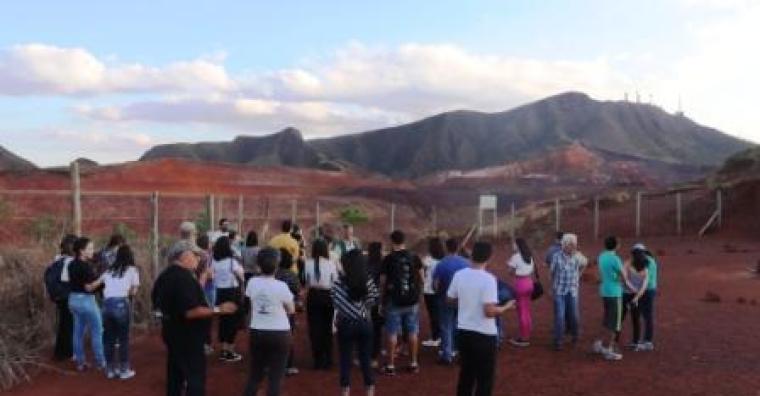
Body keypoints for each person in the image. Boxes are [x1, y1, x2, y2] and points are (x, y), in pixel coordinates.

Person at [152, 240, 238, 396]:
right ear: (185, 256)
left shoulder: (165, 275)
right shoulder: (182, 278)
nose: (198, 259)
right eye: (196, 255)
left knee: (175, 374)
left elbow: (159, 303)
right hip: (187, 336)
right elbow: (191, 311)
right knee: (194, 376)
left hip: (172, 332)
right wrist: (219, 309)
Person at [447, 241, 515, 396]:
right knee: (484, 378)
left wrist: (466, 302)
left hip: (464, 332)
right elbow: (489, 312)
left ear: (472, 255)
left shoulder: (459, 275)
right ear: (489, 258)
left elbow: (449, 300)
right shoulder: (489, 279)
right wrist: (506, 307)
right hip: (484, 335)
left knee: (466, 375)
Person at [243, 248, 295, 396]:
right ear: (277, 266)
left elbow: (249, 303)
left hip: (257, 331)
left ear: (259, 265)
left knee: (255, 374)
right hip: (280, 333)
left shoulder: (252, 282)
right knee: (275, 377)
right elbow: (291, 310)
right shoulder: (282, 286)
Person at [331, 249, 380, 396]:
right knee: (365, 359)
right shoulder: (368, 280)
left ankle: (345, 392)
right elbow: (373, 300)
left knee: (345, 360)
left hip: (345, 324)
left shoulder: (339, 283)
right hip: (365, 322)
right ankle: (370, 391)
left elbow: (335, 301)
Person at [88, 245, 140, 379]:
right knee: (123, 339)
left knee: (109, 338)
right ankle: (124, 370)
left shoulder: (109, 271)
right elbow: (133, 291)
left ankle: (110, 370)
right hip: (121, 304)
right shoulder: (132, 270)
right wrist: (125, 293)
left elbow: (93, 285)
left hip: (106, 305)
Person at [379, 230, 423, 375]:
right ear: (404, 241)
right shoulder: (415, 257)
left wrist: (381, 300)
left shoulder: (388, 259)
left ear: (392, 242)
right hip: (411, 300)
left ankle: (391, 366)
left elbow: (383, 282)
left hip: (394, 300)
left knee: (392, 332)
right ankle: (413, 363)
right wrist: (418, 294)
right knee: (412, 331)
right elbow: (422, 278)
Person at [592, 236, 634, 361]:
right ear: (616, 245)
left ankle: (598, 344)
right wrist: (633, 289)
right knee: (615, 323)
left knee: (607, 319)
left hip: (604, 291)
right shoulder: (615, 259)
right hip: (614, 292)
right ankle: (609, 350)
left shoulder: (602, 256)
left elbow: (600, 274)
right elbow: (624, 276)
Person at [67, 237, 106, 372]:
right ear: (81, 251)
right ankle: (101, 362)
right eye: (89, 248)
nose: (92, 251)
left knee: (78, 332)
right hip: (86, 301)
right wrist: (102, 279)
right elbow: (89, 288)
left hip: (73, 300)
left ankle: (80, 362)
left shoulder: (71, 264)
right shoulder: (85, 266)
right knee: (97, 331)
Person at [432, 238, 469, 364]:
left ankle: (447, 355)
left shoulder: (441, 264)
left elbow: (436, 285)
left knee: (446, 326)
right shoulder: (466, 263)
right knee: (461, 324)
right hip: (462, 299)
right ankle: (460, 350)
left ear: (446, 248)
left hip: (445, 298)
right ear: (458, 248)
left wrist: (437, 292)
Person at [304, 239, 339, 369]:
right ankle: (328, 358)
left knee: (314, 328)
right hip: (327, 296)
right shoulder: (331, 264)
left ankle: (317, 360)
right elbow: (335, 282)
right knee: (327, 328)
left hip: (313, 296)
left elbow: (306, 281)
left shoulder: (307, 263)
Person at [549, 233, 587, 351]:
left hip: (572, 290)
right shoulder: (556, 256)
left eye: (574, 245)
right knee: (559, 316)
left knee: (574, 315)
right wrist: (552, 287)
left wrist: (578, 276)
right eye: (570, 245)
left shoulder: (578, 256)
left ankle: (575, 335)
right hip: (559, 290)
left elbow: (584, 263)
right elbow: (552, 272)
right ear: (563, 245)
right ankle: (558, 340)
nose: (573, 247)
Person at [211, 236, 245, 362]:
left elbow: (212, 275)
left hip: (219, 293)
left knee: (223, 320)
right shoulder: (232, 261)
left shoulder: (214, 261)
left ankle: (224, 349)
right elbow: (241, 277)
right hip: (232, 293)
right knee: (233, 322)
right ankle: (229, 351)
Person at [49, 234, 77, 361]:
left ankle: (60, 352)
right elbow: (67, 280)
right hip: (67, 296)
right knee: (69, 325)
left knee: (63, 324)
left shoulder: (57, 259)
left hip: (59, 296)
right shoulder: (68, 262)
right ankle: (69, 352)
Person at [276, 248, 301, 376]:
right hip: (288, 310)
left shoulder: (274, 274)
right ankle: (288, 365)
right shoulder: (292, 275)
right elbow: (297, 292)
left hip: (274, 310)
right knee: (287, 337)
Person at [621, 247, 652, 351]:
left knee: (620, 318)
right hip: (637, 296)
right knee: (636, 320)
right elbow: (644, 287)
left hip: (626, 294)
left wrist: (632, 290)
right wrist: (636, 297)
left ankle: (614, 340)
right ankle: (635, 342)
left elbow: (624, 279)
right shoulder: (646, 270)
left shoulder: (628, 264)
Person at [507, 238, 535, 347]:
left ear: (518, 245)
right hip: (529, 283)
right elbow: (531, 270)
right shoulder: (529, 255)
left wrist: (514, 272)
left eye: (514, 244)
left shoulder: (515, 257)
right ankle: (527, 332)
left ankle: (524, 338)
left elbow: (510, 271)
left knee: (521, 311)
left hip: (520, 284)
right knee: (526, 309)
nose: (513, 245)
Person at [632, 243, 658, 351]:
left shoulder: (644, 261)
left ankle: (648, 341)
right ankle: (645, 340)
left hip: (646, 290)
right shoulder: (650, 260)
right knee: (647, 316)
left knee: (647, 316)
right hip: (649, 290)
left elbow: (642, 279)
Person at [421, 237, 445, 348]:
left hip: (429, 290)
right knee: (440, 313)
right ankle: (441, 336)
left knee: (433, 315)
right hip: (441, 290)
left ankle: (436, 337)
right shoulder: (443, 259)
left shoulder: (428, 259)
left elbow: (422, 271)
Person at [366, 242, 384, 367]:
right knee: (377, 329)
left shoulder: (365, 264)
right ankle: (374, 356)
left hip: (367, 300)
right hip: (379, 300)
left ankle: (367, 354)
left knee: (367, 328)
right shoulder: (382, 265)